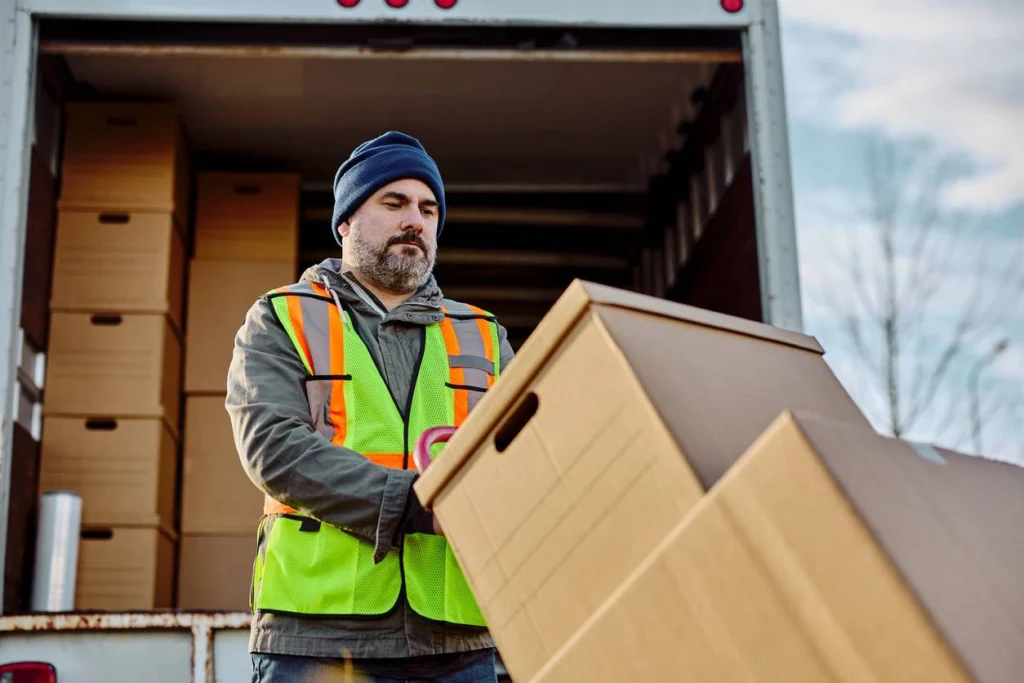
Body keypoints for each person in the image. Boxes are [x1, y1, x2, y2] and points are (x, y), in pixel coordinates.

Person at [226, 131, 514, 682]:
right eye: (394, 202)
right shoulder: (281, 317)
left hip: (457, 638)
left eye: (428, 209)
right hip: (318, 637)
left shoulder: (483, 335)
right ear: (346, 224)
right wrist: (411, 501)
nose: (416, 220)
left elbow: (524, 455)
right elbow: (273, 449)